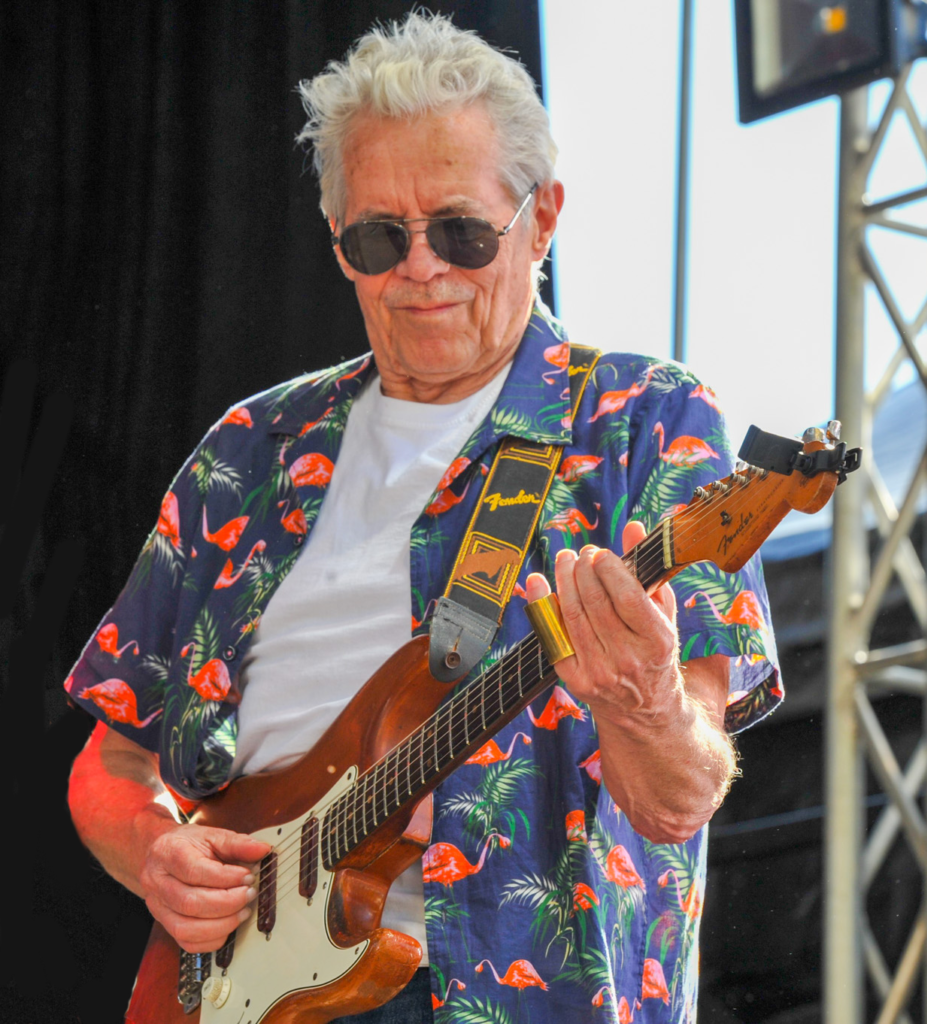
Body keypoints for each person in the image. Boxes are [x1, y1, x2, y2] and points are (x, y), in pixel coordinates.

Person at [66, 13, 781, 1023]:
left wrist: (645, 705)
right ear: (337, 243)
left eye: (461, 231)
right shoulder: (249, 452)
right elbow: (112, 760)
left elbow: (680, 798)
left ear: (542, 218)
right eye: (379, 238)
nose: (421, 268)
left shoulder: (643, 423)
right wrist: (155, 850)